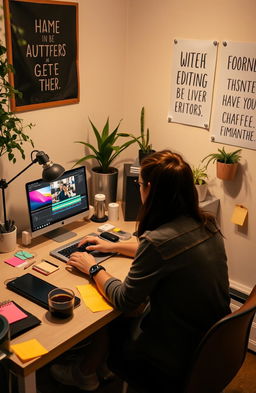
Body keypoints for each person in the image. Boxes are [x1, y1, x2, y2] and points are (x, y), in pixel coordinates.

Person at [51, 150, 230, 392]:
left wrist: (92, 268)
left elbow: (125, 299)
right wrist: (111, 245)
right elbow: (168, 252)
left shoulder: (157, 242)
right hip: (211, 341)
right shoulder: (206, 224)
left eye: (139, 183)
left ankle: (85, 372)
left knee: (111, 314)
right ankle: (99, 367)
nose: (138, 188)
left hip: (172, 354)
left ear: (150, 188)